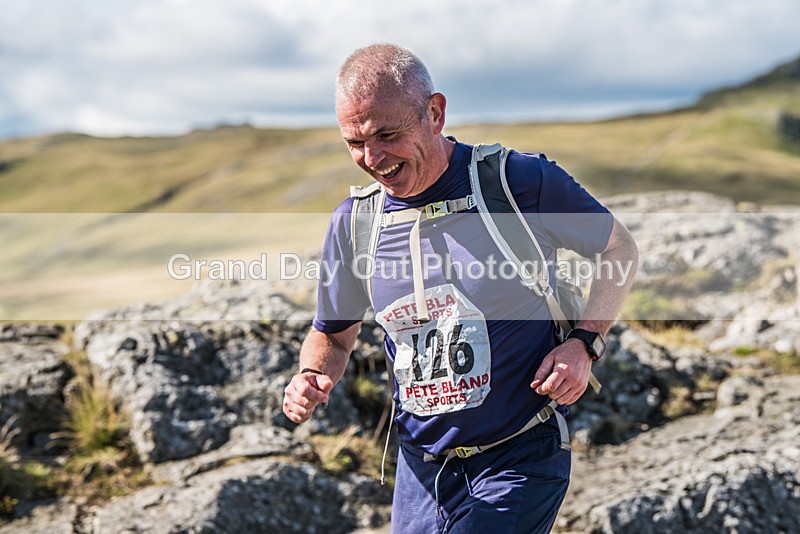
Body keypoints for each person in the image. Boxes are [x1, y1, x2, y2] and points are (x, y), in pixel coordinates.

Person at [283, 43, 638, 533]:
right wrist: (310, 373)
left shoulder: (517, 181)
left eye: (388, 134)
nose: (372, 157)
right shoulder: (354, 224)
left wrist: (584, 343)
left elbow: (618, 249)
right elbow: (334, 336)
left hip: (517, 454)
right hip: (420, 471)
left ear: (435, 112)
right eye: (355, 142)